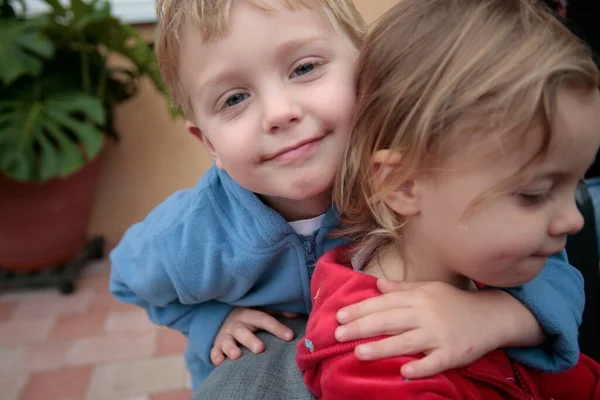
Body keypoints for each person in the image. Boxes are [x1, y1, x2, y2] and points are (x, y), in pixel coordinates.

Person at [110, 0, 586, 392]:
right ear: (209, 143)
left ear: (366, 69)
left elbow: (553, 271)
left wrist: (495, 315)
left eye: (304, 68)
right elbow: (127, 277)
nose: (278, 112)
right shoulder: (193, 235)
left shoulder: (414, 176)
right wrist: (211, 320)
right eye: (234, 99)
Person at [296, 0, 600, 398]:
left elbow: (565, 293)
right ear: (403, 185)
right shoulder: (382, 360)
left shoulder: (479, 254)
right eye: (535, 194)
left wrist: (500, 317)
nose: (573, 220)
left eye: (574, 185)